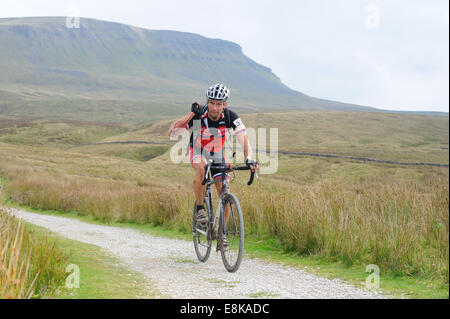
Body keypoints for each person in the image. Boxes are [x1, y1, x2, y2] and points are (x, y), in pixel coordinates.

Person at [168, 83, 258, 249]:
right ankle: (200, 209)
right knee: (201, 169)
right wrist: (191, 114)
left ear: (225, 104)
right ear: (207, 102)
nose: (215, 108)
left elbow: (244, 140)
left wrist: (250, 158)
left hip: (217, 154)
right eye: (212, 103)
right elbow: (173, 132)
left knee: (224, 189)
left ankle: (221, 233)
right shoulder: (199, 115)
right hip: (197, 150)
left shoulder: (231, 117)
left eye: (219, 104)